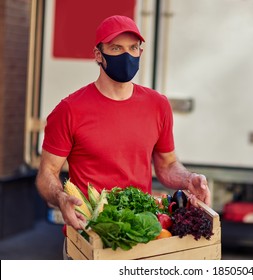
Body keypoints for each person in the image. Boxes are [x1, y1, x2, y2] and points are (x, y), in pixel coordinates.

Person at [35, 15, 211, 232]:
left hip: (140, 230)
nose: (127, 55)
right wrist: (60, 198)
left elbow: (166, 165)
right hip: (88, 232)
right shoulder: (69, 110)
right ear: (98, 55)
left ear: (140, 52)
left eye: (133, 48)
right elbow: (46, 174)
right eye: (116, 48)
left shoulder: (158, 105)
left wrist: (188, 179)